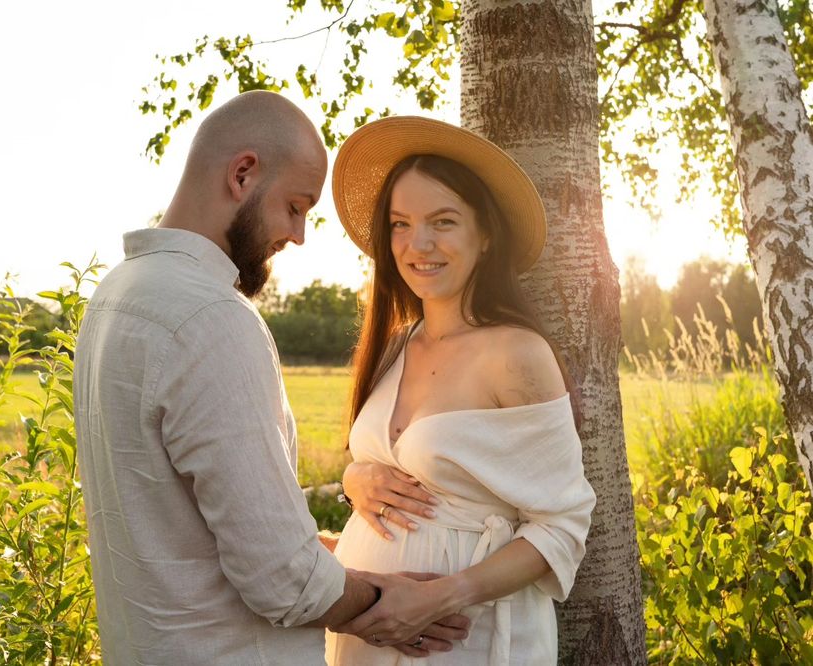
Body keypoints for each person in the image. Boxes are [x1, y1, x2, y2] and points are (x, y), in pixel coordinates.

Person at [73, 92, 468, 665]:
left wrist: (339, 552)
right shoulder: (211, 318)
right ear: (243, 174)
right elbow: (282, 578)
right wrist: (385, 600)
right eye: (295, 206)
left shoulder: (114, 296)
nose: (299, 234)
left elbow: (187, 524)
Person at [324, 116, 597, 664]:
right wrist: (355, 480)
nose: (418, 244)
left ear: (486, 235)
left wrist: (439, 597)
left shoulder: (515, 353)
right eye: (400, 224)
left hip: (463, 638)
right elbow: (391, 470)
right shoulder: (394, 347)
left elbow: (562, 525)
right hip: (366, 639)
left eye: (443, 221)